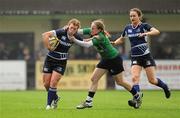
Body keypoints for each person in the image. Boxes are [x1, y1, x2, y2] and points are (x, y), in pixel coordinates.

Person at [70, 19, 143, 109]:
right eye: (91, 28)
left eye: (93, 28)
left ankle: (137, 96)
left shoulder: (99, 37)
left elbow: (87, 45)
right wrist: (69, 29)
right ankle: (89, 102)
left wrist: (73, 39)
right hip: (105, 59)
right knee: (94, 79)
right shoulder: (93, 31)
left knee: (120, 82)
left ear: (99, 30)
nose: (91, 30)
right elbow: (78, 31)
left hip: (114, 59)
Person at [112, 8, 171, 107]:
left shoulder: (144, 26)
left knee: (152, 80)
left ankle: (165, 87)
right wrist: (114, 42)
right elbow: (121, 39)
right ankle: (137, 100)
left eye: (134, 16)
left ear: (139, 16)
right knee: (135, 78)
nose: (132, 18)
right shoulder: (127, 28)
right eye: (130, 16)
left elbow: (156, 31)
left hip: (146, 56)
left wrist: (146, 33)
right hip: (135, 57)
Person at [42, 18, 83, 110]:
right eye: (71, 27)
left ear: (77, 29)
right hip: (49, 59)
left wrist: (96, 39)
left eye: (75, 29)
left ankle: (48, 105)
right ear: (68, 26)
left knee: (53, 82)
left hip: (61, 62)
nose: (72, 30)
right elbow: (45, 35)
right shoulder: (61, 32)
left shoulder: (76, 36)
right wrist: (49, 47)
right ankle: (55, 98)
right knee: (46, 84)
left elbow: (85, 42)